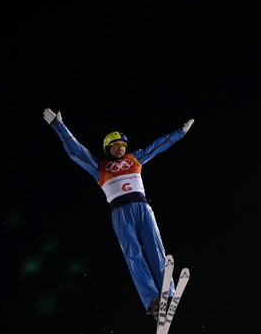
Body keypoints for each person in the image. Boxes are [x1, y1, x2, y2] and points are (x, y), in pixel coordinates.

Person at [42, 108, 194, 319]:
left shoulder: (135, 158)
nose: (121, 148)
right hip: (120, 213)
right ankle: (152, 301)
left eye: (123, 145)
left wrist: (181, 133)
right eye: (116, 145)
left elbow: (158, 146)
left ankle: (168, 291)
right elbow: (76, 152)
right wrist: (59, 126)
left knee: (154, 248)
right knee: (133, 254)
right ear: (108, 147)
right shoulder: (99, 166)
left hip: (142, 208)